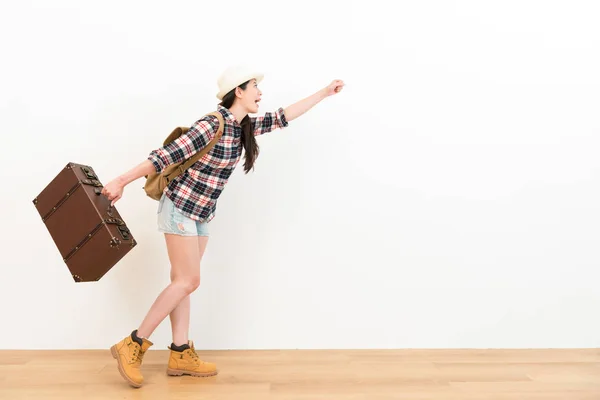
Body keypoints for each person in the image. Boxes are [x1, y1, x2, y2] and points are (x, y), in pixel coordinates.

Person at [101, 65, 344, 388]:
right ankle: (133, 344)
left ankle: (180, 352)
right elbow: (164, 156)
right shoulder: (211, 124)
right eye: (255, 86)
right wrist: (121, 180)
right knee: (188, 280)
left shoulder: (242, 127)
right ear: (238, 92)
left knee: (182, 282)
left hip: (202, 213)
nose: (260, 92)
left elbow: (283, 116)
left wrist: (324, 93)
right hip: (180, 209)